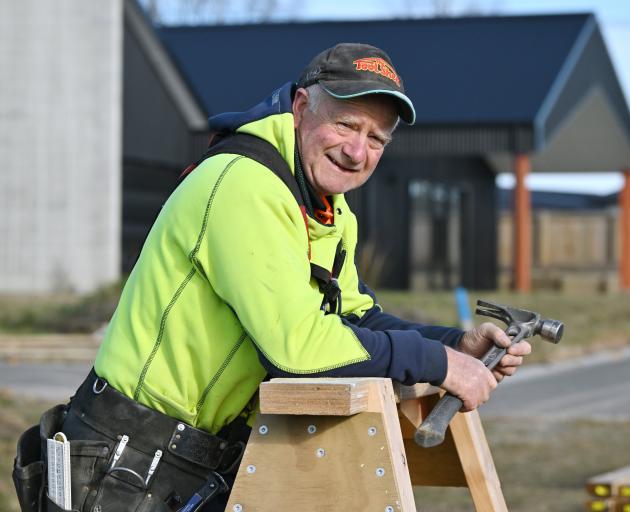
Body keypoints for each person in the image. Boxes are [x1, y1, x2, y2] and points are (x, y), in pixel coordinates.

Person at [13, 43, 531, 512]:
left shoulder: (328, 209)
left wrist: (453, 343)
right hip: (127, 460)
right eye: (347, 126)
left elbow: (356, 315)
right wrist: (439, 364)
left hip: (200, 460)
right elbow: (298, 351)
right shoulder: (244, 183)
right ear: (302, 108)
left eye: (377, 139)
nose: (358, 151)